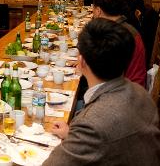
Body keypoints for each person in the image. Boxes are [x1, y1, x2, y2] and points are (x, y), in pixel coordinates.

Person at [43, 18, 160, 166]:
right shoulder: (140, 93)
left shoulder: (91, 125)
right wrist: (73, 135)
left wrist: (80, 136)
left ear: (82, 62)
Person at [92, 0, 146, 87]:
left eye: (93, 7)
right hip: (129, 90)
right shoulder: (124, 28)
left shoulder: (117, 35)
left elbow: (102, 75)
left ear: (98, 11)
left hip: (124, 94)